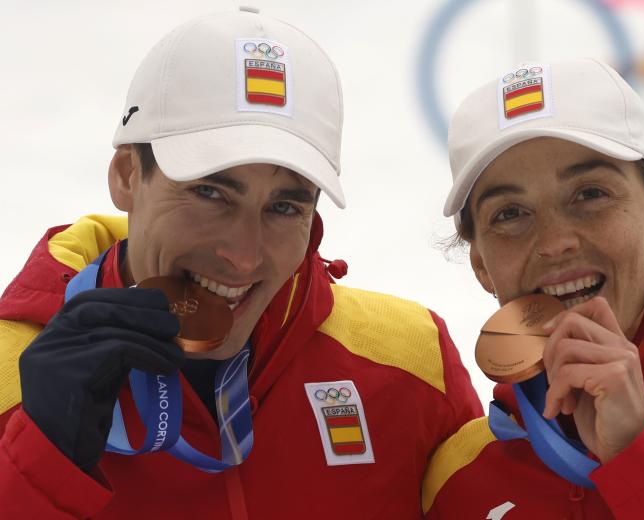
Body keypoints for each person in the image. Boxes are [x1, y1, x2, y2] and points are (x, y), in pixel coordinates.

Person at [0, 8, 481, 518]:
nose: (243, 254)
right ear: (125, 175)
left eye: (284, 206)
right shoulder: (11, 374)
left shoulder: (411, 360)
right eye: (210, 192)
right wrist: (35, 469)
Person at [422, 58, 644, 519]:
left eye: (590, 194)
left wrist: (643, 454)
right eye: (510, 214)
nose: (555, 243)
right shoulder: (459, 475)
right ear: (481, 265)